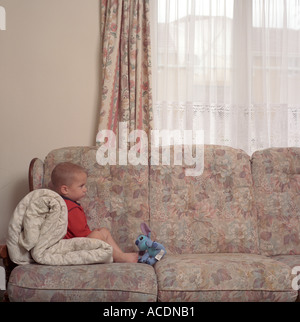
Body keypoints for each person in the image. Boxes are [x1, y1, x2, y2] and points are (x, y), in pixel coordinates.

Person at [51, 162, 138, 263]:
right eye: (81, 186)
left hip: (76, 241)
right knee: (96, 235)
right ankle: (118, 257)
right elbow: (80, 233)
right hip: (71, 246)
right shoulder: (70, 208)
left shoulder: (69, 204)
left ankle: (121, 256)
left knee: (103, 231)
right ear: (65, 189)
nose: (85, 189)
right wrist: (92, 233)